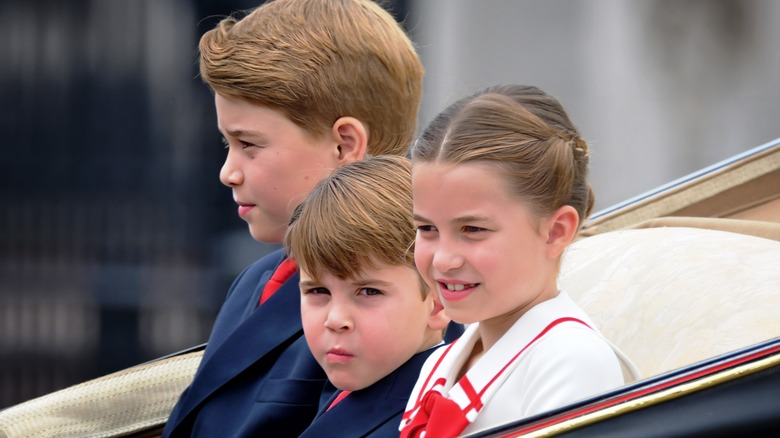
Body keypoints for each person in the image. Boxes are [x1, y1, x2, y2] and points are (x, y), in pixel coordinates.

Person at [162, 0, 426, 436]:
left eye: (249, 144)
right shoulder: (258, 279)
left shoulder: (408, 299)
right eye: (227, 143)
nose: (228, 172)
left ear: (344, 145)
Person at [399, 84, 641, 437]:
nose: (444, 259)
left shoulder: (571, 360)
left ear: (556, 231)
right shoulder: (438, 363)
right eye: (427, 228)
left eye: (473, 229)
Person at [284, 155, 451, 437]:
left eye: (369, 291)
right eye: (317, 290)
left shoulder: (422, 424)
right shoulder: (349, 385)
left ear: (438, 302)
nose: (335, 320)